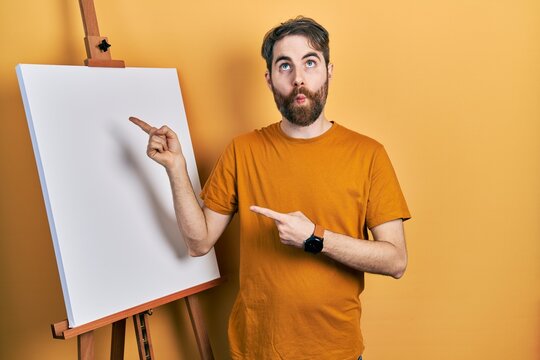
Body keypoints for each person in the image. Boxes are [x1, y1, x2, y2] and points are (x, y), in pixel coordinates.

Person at [130, 16, 410, 360]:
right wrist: (176, 168)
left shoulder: (368, 154)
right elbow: (198, 242)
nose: (299, 79)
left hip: (337, 352)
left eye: (310, 62)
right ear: (269, 79)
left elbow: (396, 260)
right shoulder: (242, 150)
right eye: (284, 66)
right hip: (255, 350)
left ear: (329, 71)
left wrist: (315, 237)